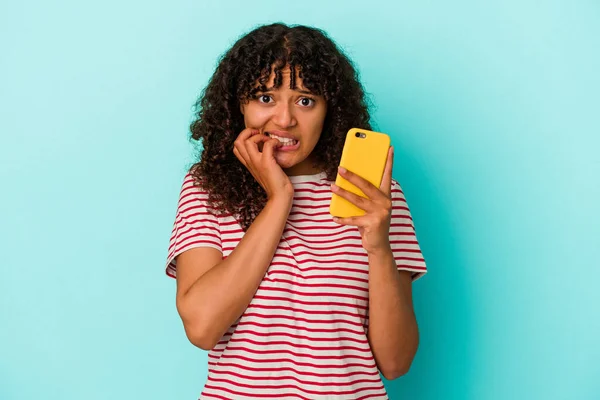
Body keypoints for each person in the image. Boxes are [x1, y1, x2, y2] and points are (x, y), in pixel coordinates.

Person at [165, 22, 427, 400]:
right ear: (238, 105)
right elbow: (203, 327)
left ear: (329, 110)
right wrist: (279, 198)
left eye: (305, 100)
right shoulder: (207, 189)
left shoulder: (378, 198)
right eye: (265, 98)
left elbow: (396, 363)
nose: (285, 119)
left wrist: (378, 247)